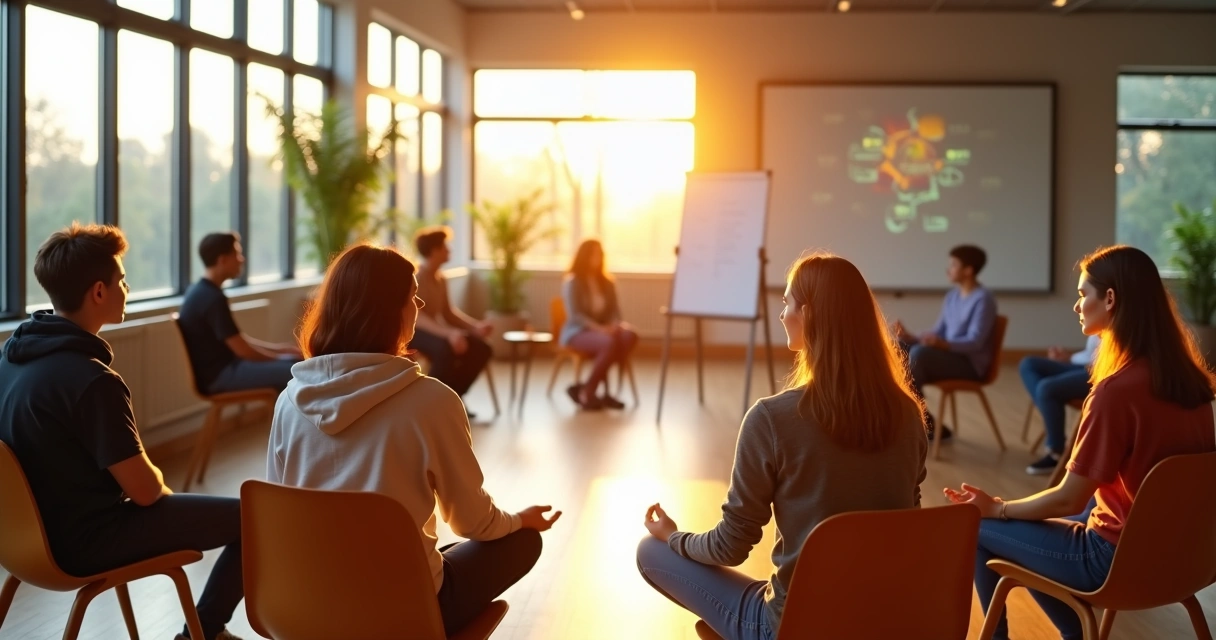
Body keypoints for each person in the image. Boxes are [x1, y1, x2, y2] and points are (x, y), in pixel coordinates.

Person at [267, 243, 560, 636]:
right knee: (523, 542)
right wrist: (520, 520)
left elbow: (279, 513)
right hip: (403, 609)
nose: (419, 305)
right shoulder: (432, 401)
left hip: (307, 607)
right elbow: (473, 521)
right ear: (390, 311)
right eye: (412, 297)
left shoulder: (289, 400)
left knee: (441, 554)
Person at [636, 253, 928, 640]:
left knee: (650, 551)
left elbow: (730, 546)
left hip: (796, 626)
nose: (782, 314)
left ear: (808, 314)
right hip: (888, 622)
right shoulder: (909, 413)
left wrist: (673, 537)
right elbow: (909, 521)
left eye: (787, 303)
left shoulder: (771, 419)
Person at [945, 245, 1216, 640]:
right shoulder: (1194, 388)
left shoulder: (1117, 392)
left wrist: (997, 508)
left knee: (980, 526)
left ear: (1110, 299)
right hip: (1189, 559)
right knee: (1052, 516)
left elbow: (1067, 500)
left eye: (1082, 293)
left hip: (1115, 562)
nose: (1076, 305)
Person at [0, 224, 244, 640]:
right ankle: (202, 634)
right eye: (123, 281)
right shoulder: (92, 381)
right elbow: (146, 492)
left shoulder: (10, 359)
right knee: (252, 517)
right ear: (99, 292)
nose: (127, 289)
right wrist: (159, 485)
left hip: (21, 545)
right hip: (83, 543)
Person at [892, 244, 997, 441]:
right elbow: (938, 331)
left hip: (969, 365)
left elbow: (975, 341)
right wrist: (911, 337)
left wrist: (944, 345)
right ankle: (919, 418)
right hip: (947, 356)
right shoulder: (952, 296)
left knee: (920, 355)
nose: (948, 269)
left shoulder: (983, 299)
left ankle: (921, 421)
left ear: (968, 270)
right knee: (899, 347)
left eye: (953, 265)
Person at [178, 232, 300, 394]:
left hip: (224, 369)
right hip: (222, 375)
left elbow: (240, 342)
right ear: (222, 260)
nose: (242, 260)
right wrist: (282, 358)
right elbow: (244, 351)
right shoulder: (212, 298)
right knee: (298, 372)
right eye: (237, 254)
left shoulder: (199, 291)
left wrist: (280, 350)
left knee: (293, 365)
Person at [409, 226, 494, 410]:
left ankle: (453, 399)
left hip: (436, 331)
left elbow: (448, 313)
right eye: (445, 246)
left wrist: (475, 327)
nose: (449, 250)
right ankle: (430, 405)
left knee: (482, 348)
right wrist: (449, 334)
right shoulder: (418, 278)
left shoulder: (441, 279)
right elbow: (418, 318)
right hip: (416, 333)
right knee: (446, 349)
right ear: (434, 251)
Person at [559, 239, 637, 410]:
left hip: (606, 330)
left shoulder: (607, 283)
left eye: (600, 254)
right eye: (594, 254)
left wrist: (615, 325)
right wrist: (600, 329)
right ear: (584, 256)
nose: (598, 258)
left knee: (629, 336)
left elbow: (615, 311)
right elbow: (575, 316)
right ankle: (591, 392)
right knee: (609, 343)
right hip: (579, 331)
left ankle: (589, 389)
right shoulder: (573, 282)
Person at [1019, 334, 1101, 475]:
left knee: (1047, 388)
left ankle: (1055, 451)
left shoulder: (1122, 324)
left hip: (1104, 373)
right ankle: (1051, 414)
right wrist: (1069, 358)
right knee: (1028, 364)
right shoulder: (1103, 324)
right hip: (1085, 366)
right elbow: (1091, 354)